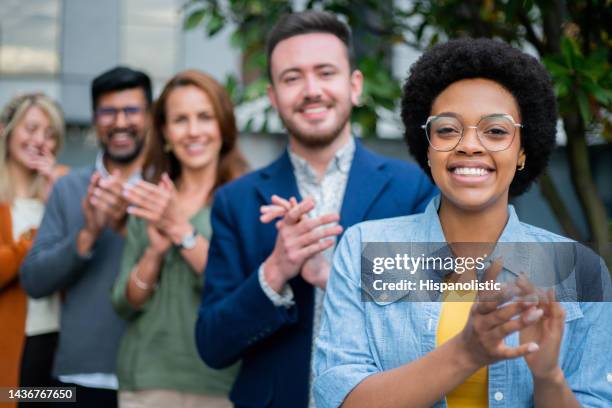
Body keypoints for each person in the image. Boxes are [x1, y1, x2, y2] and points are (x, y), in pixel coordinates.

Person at [313, 38, 612, 407]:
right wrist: (467, 351)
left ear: (522, 151)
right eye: (448, 129)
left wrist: (548, 376)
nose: (469, 145)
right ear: (428, 147)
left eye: (496, 131)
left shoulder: (580, 271)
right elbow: (337, 400)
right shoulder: (365, 249)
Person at [195, 10, 437, 408]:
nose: (311, 90)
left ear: (354, 85)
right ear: (273, 96)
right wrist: (275, 272)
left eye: (325, 72)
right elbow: (212, 345)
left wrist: (336, 276)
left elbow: (436, 310)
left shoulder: (413, 187)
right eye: (292, 78)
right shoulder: (235, 201)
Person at [111, 70, 247, 408]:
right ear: (166, 134)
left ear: (223, 127)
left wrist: (181, 231)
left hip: (221, 384)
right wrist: (154, 255)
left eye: (204, 117)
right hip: (146, 381)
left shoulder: (248, 200)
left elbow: (242, 293)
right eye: (180, 120)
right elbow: (124, 303)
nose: (194, 131)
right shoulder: (149, 199)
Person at [20, 66, 152, 408]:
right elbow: (34, 281)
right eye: (109, 112)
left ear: (150, 117)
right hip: (78, 378)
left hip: (156, 378)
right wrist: (88, 233)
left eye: (132, 110)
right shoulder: (69, 188)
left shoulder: (170, 188)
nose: (120, 122)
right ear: (95, 120)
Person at [0, 93, 67, 407]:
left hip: (58, 345)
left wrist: (60, 203)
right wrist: (33, 238)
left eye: (50, 133)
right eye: (31, 128)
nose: (40, 140)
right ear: (7, 131)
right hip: (10, 347)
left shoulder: (64, 193)